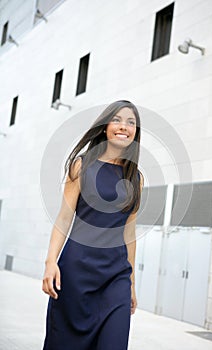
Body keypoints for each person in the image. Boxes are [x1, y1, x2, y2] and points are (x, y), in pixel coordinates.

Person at [42, 100, 144, 350]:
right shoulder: (82, 165)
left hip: (116, 277)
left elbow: (128, 233)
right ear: (105, 126)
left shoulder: (136, 177)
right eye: (117, 120)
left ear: (135, 133)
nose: (124, 126)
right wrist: (50, 262)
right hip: (76, 273)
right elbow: (64, 218)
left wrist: (130, 283)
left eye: (131, 123)